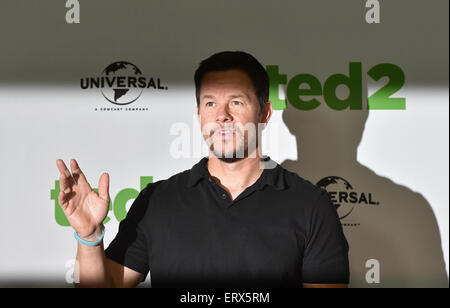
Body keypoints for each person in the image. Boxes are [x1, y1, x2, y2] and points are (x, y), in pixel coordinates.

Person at [56, 51, 349, 288]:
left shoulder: (310, 205)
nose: (222, 116)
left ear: (264, 113)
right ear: (198, 115)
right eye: (210, 103)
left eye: (236, 101)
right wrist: (90, 235)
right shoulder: (157, 200)